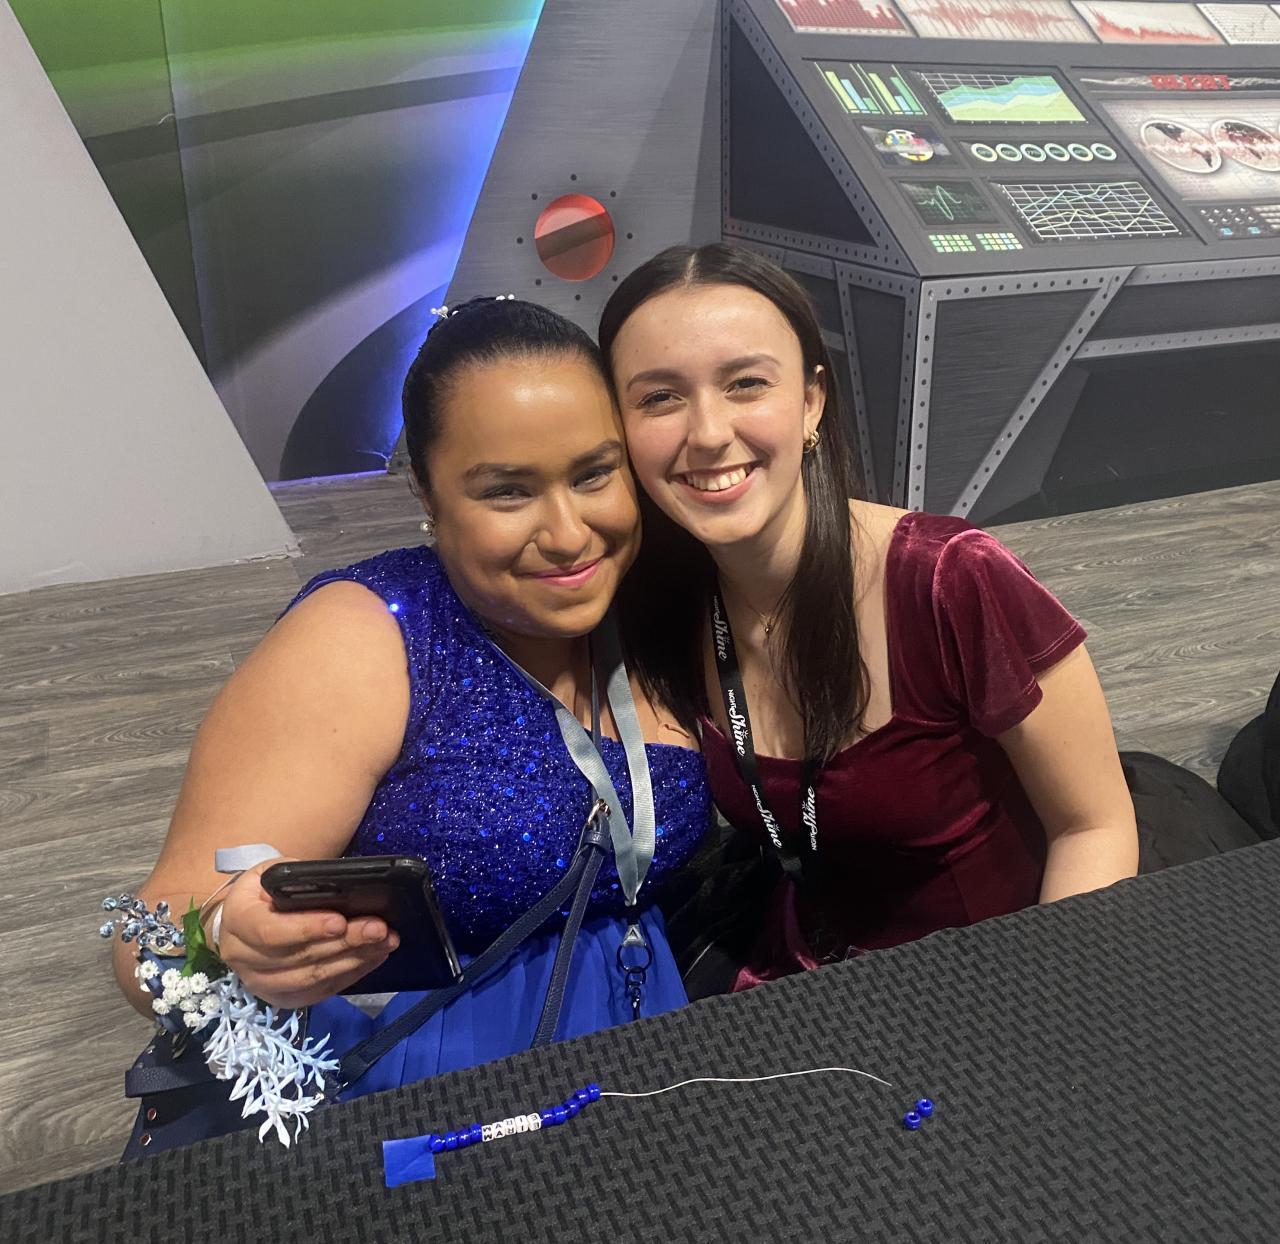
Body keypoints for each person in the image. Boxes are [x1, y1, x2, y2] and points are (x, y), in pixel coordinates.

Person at [111, 297, 710, 1097]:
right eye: (507, 492)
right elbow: (146, 940)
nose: (570, 534)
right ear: (426, 494)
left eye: (593, 474)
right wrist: (225, 936)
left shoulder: (658, 606)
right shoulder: (364, 640)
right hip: (438, 1082)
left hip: (656, 1049)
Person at [599, 243, 1138, 987]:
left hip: (1005, 975)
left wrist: (1046, 1008)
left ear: (811, 402)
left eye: (746, 383)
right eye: (659, 398)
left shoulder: (950, 579)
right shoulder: (660, 603)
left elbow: (1094, 826)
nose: (709, 432)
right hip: (805, 970)